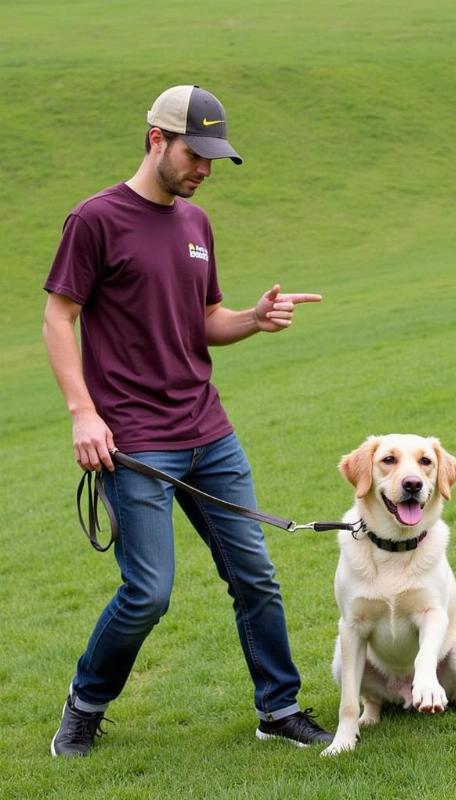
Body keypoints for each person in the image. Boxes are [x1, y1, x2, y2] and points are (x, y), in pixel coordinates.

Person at [43, 85, 332, 756]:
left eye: (212, 158)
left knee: (254, 573)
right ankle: (86, 704)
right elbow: (60, 316)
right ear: (156, 141)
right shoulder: (95, 219)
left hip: (210, 433)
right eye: (194, 155)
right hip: (135, 443)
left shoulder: (196, 226)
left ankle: (278, 708)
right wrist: (82, 413)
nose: (204, 170)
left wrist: (254, 322)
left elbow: (205, 322)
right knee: (148, 592)